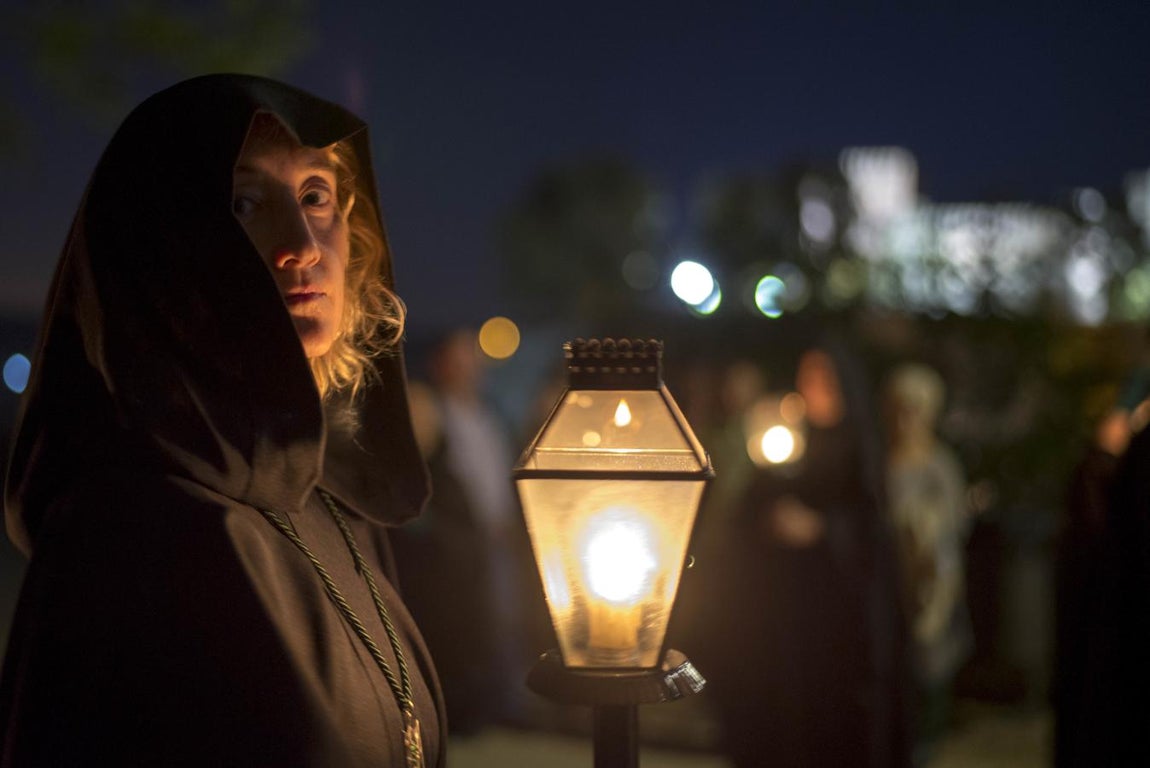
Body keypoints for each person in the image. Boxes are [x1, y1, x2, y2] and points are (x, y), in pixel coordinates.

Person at [0, 74, 445, 766]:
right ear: (168, 245)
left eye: (315, 196)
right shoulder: (125, 532)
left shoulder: (336, 507)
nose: (300, 243)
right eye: (245, 202)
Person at [705, 338, 911, 768]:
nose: (811, 385)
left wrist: (821, 527)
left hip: (841, 613)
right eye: (806, 375)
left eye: (821, 376)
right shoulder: (787, 436)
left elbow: (872, 527)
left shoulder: (858, 444)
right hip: (787, 610)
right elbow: (746, 511)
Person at [882, 363, 972, 766]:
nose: (908, 419)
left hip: (931, 591)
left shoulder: (940, 466)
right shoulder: (884, 463)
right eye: (902, 408)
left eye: (916, 408)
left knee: (927, 680)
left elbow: (951, 529)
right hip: (891, 589)